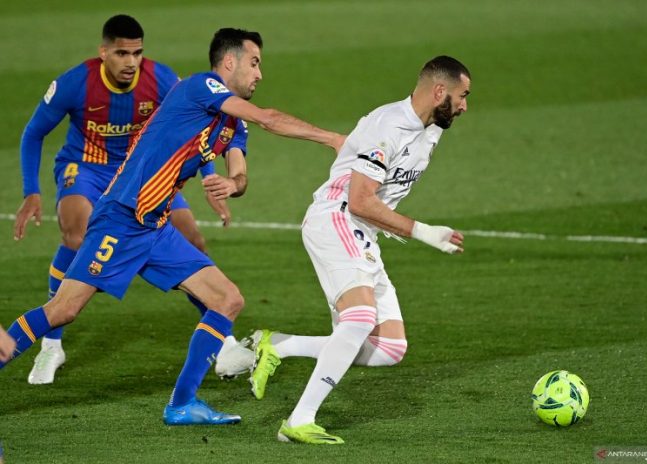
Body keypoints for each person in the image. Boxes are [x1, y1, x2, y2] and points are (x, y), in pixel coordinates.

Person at [0, 27, 343, 426]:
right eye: (254, 63)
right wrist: (332, 138)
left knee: (226, 299)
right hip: (123, 218)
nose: (259, 74)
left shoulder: (233, 124)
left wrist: (233, 184)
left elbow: (241, 172)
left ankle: (182, 405)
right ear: (229, 63)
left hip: (156, 227)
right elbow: (268, 118)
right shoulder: (200, 87)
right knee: (63, 309)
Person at [249, 55, 470, 444]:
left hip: (362, 231)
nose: (465, 106)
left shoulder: (432, 129)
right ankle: (299, 420)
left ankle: (279, 345)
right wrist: (423, 232)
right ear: (440, 92)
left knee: (389, 347)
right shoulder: (388, 125)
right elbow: (361, 201)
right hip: (337, 217)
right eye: (462, 95)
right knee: (359, 319)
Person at [12, 14, 236, 385]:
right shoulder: (76, 82)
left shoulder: (162, 79)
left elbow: (198, 126)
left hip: (143, 174)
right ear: (103, 53)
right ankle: (51, 344)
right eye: (121, 53)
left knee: (193, 238)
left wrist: (210, 179)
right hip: (87, 166)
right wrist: (30, 191)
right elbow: (33, 132)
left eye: (137, 53)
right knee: (76, 229)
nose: (131, 62)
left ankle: (222, 338)